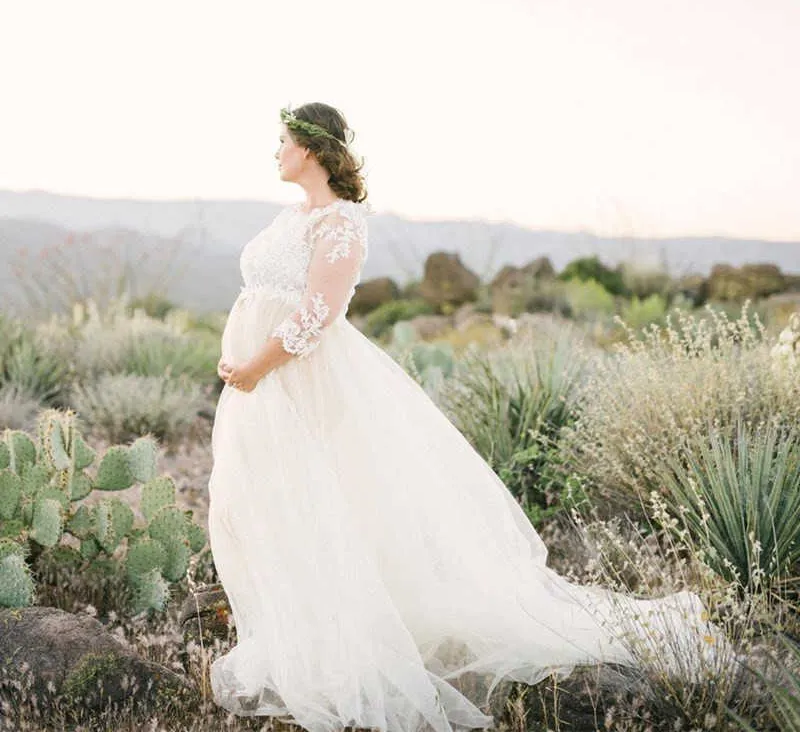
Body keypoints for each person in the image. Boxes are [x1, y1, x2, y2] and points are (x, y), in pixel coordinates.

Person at [207, 103, 726, 732]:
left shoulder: (342, 224)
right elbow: (264, 295)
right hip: (262, 387)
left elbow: (319, 314)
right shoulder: (290, 216)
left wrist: (258, 365)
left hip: (297, 380)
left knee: (324, 499)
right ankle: (300, 629)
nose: (277, 152)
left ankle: (347, 644)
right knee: (271, 502)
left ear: (313, 150)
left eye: (284, 141)